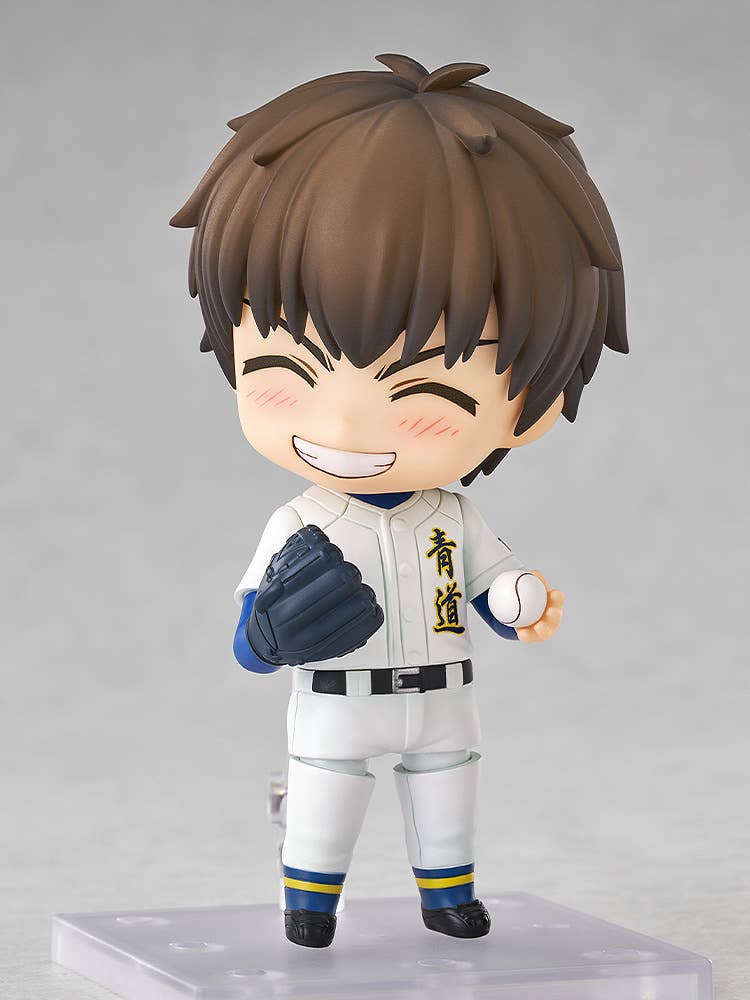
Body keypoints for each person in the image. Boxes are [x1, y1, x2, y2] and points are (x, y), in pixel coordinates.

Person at [170, 52, 627, 949]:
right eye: (288, 368)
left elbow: (492, 589)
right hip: (336, 697)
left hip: (444, 695)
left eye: (422, 388)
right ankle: (309, 906)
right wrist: (266, 636)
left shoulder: (454, 518)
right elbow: (250, 638)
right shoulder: (301, 522)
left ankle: (447, 898)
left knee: (449, 797)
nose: (343, 423)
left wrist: (518, 601)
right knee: (324, 803)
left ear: (532, 404)